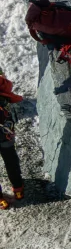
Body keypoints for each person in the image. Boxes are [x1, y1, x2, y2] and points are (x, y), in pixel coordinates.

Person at [0, 72, 25, 208]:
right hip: (5, 131)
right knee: (11, 160)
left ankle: (18, 186)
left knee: (12, 161)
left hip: (4, 133)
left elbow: (6, 86)